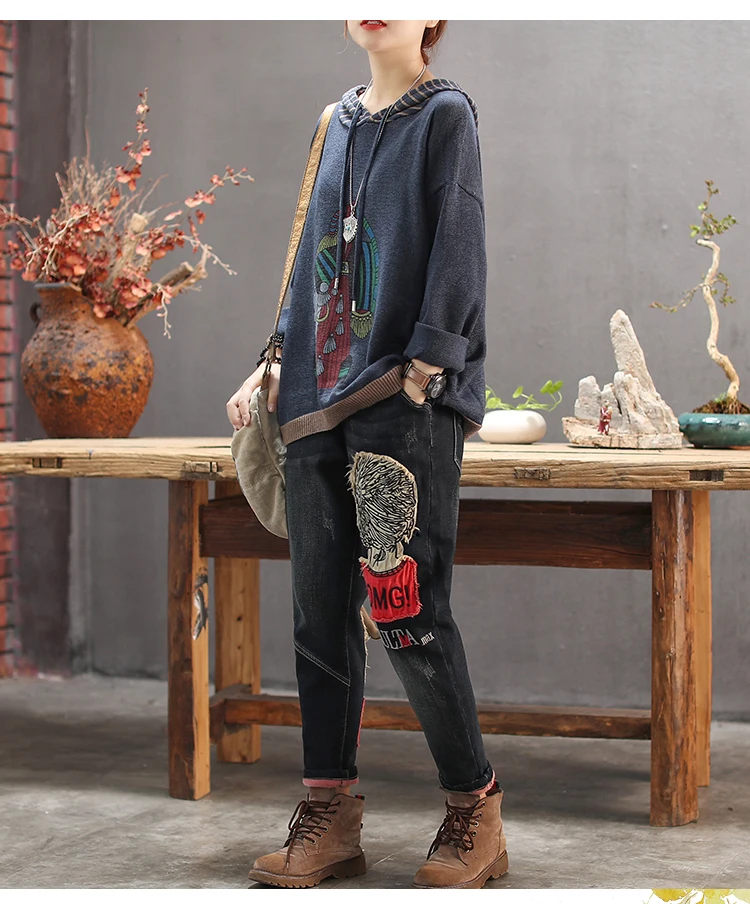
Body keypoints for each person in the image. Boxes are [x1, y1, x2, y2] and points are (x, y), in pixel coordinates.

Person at [226, 19, 507, 890]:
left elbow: (459, 245)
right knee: (318, 617)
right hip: (313, 401)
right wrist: (274, 359)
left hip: (401, 401)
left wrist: (428, 366)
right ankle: (330, 814)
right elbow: (308, 254)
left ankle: (475, 810)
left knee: (407, 611)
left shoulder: (446, 115)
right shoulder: (333, 122)